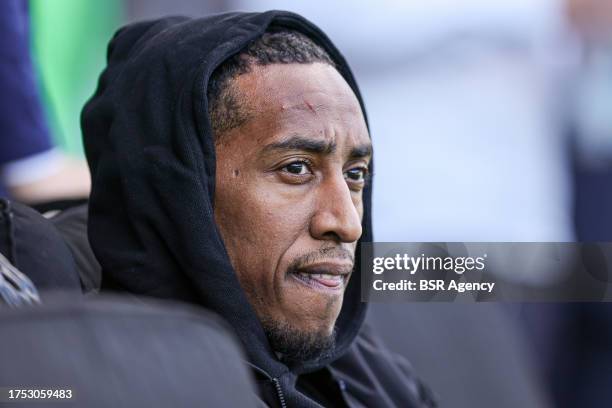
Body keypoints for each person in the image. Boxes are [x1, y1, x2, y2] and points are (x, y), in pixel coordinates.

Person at [82, 11, 435, 407]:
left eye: (355, 174)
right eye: (296, 169)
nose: (347, 223)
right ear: (180, 192)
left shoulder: (372, 374)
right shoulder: (94, 386)